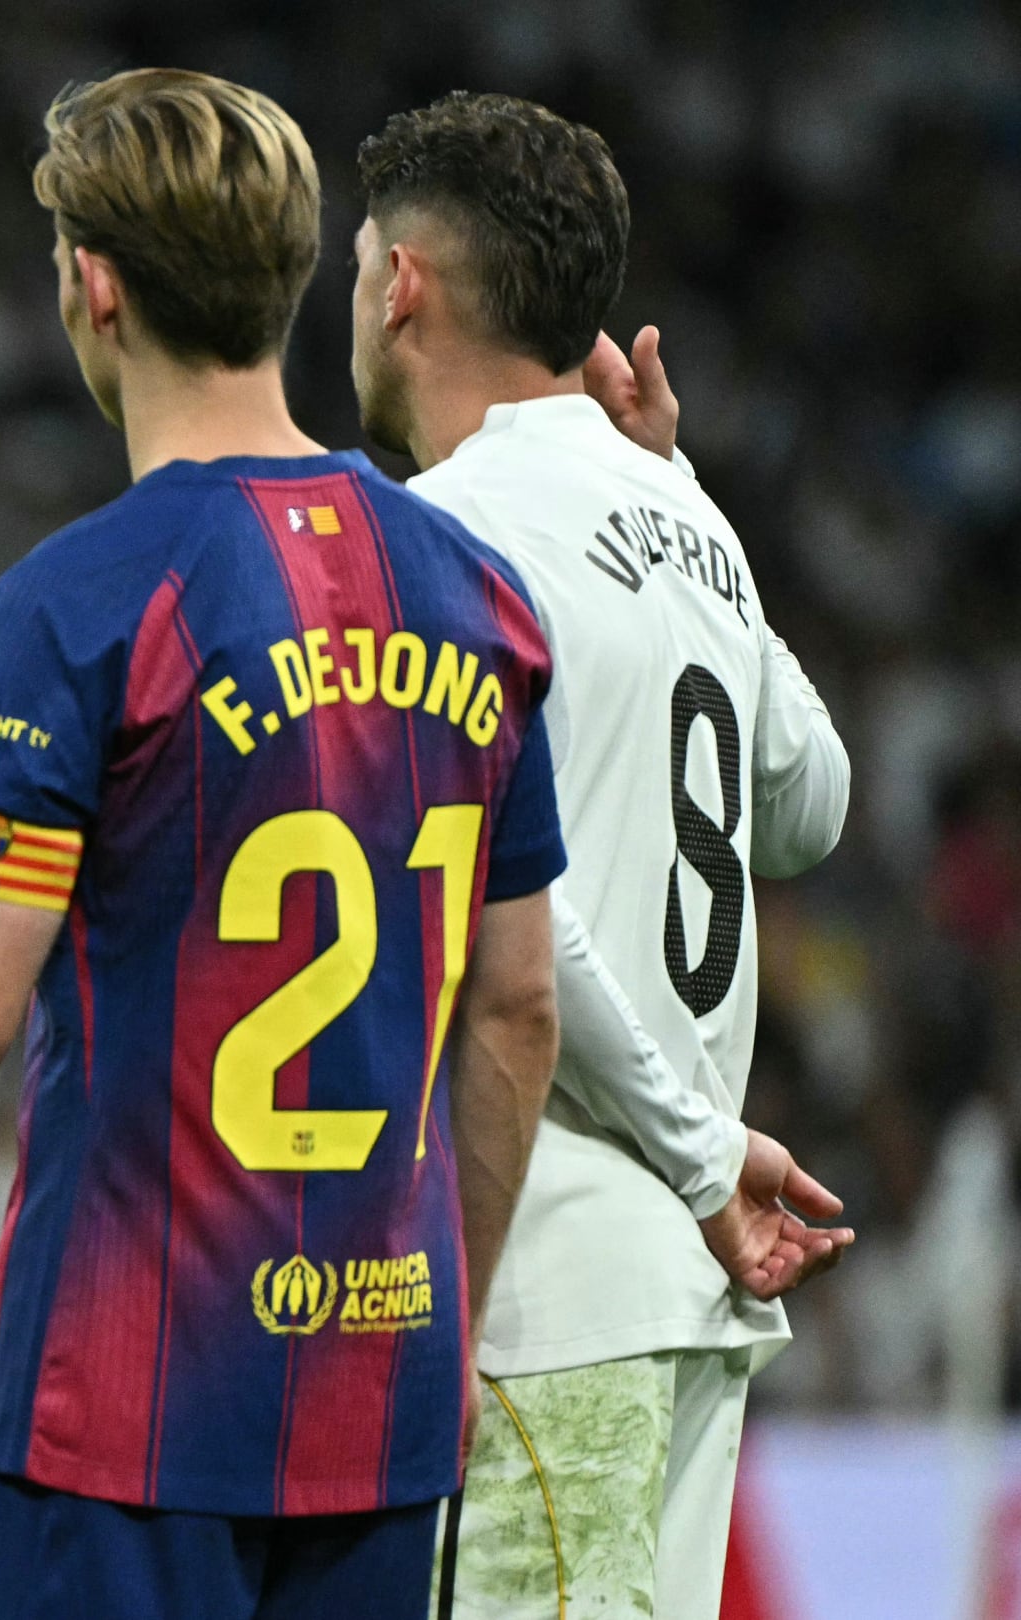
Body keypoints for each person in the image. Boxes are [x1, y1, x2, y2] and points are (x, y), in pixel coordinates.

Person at [0, 70, 569, 1618]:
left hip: (126, 1421)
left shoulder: (87, 603)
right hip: (383, 1416)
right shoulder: (476, 596)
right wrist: (440, 1338)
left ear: (93, 287)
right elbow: (514, 1010)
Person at [347, 93, 855, 1617]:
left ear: (403, 289)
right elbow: (812, 807)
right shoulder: (685, 517)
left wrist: (698, 1156)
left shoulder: (441, 533)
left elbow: (520, 922)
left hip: (551, 1279)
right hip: (686, 1300)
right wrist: (685, 493)